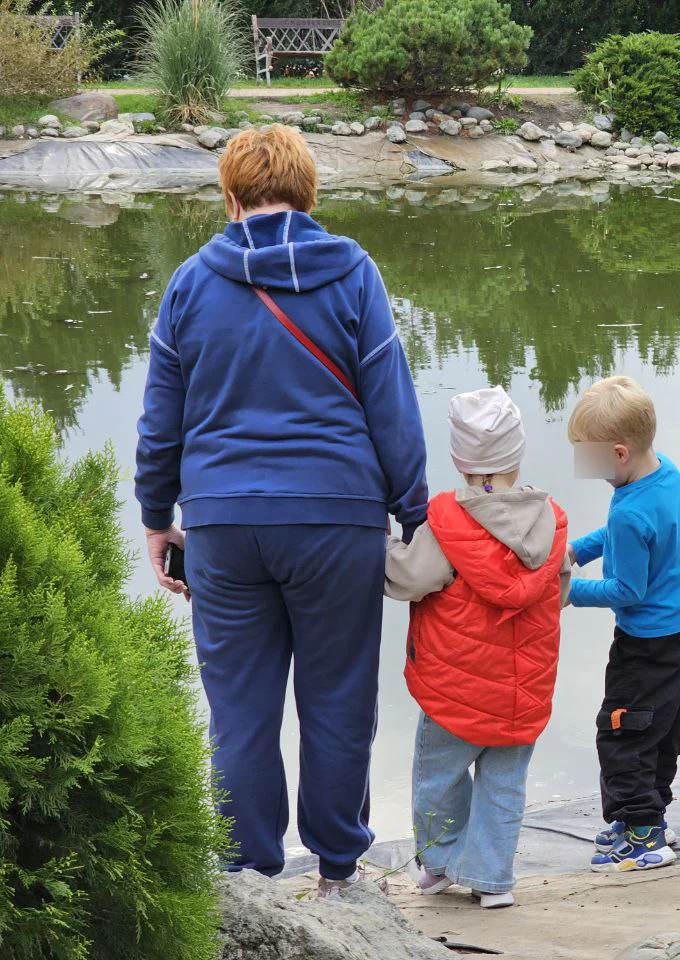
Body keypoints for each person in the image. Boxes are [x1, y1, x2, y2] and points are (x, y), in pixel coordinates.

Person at [134, 125, 427, 897]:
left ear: (230, 198)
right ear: (308, 193)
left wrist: (156, 513)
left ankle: (246, 875)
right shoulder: (354, 272)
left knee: (239, 709)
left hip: (224, 521)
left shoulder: (192, 283)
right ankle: (338, 873)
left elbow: (161, 416)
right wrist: (414, 508)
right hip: (338, 517)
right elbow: (389, 403)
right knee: (337, 700)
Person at [385, 386, 569, 909]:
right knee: (503, 784)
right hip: (523, 691)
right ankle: (493, 880)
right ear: (516, 454)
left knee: (438, 778)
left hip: (454, 693)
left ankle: (441, 863)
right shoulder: (551, 521)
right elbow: (559, 595)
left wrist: (382, 544)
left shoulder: (445, 521)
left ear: (459, 459)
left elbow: (409, 579)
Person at [564, 376, 680, 873]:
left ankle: (643, 832)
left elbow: (627, 590)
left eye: (590, 458)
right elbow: (633, 533)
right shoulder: (665, 471)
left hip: (647, 645)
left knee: (622, 732)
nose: (588, 470)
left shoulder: (629, 511)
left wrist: (563, 591)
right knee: (661, 728)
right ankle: (651, 815)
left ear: (619, 453)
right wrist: (579, 550)